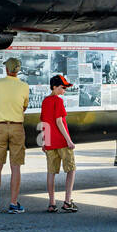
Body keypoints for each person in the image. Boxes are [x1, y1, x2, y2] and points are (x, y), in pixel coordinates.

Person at [0, 56, 30, 213]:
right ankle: (13, 203)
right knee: (16, 167)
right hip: (17, 127)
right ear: (18, 70)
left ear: (6, 69)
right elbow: (24, 106)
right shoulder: (24, 86)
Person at [40, 74, 77, 212]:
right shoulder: (58, 101)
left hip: (50, 143)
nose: (64, 91)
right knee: (71, 169)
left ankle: (51, 203)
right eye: (62, 88)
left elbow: (44, 122)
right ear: (54, 87)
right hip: (62, 142)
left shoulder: (45, 101)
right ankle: (67, 201)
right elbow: (59, 121)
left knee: (51, 172)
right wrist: (69, 140)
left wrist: (44, 141)